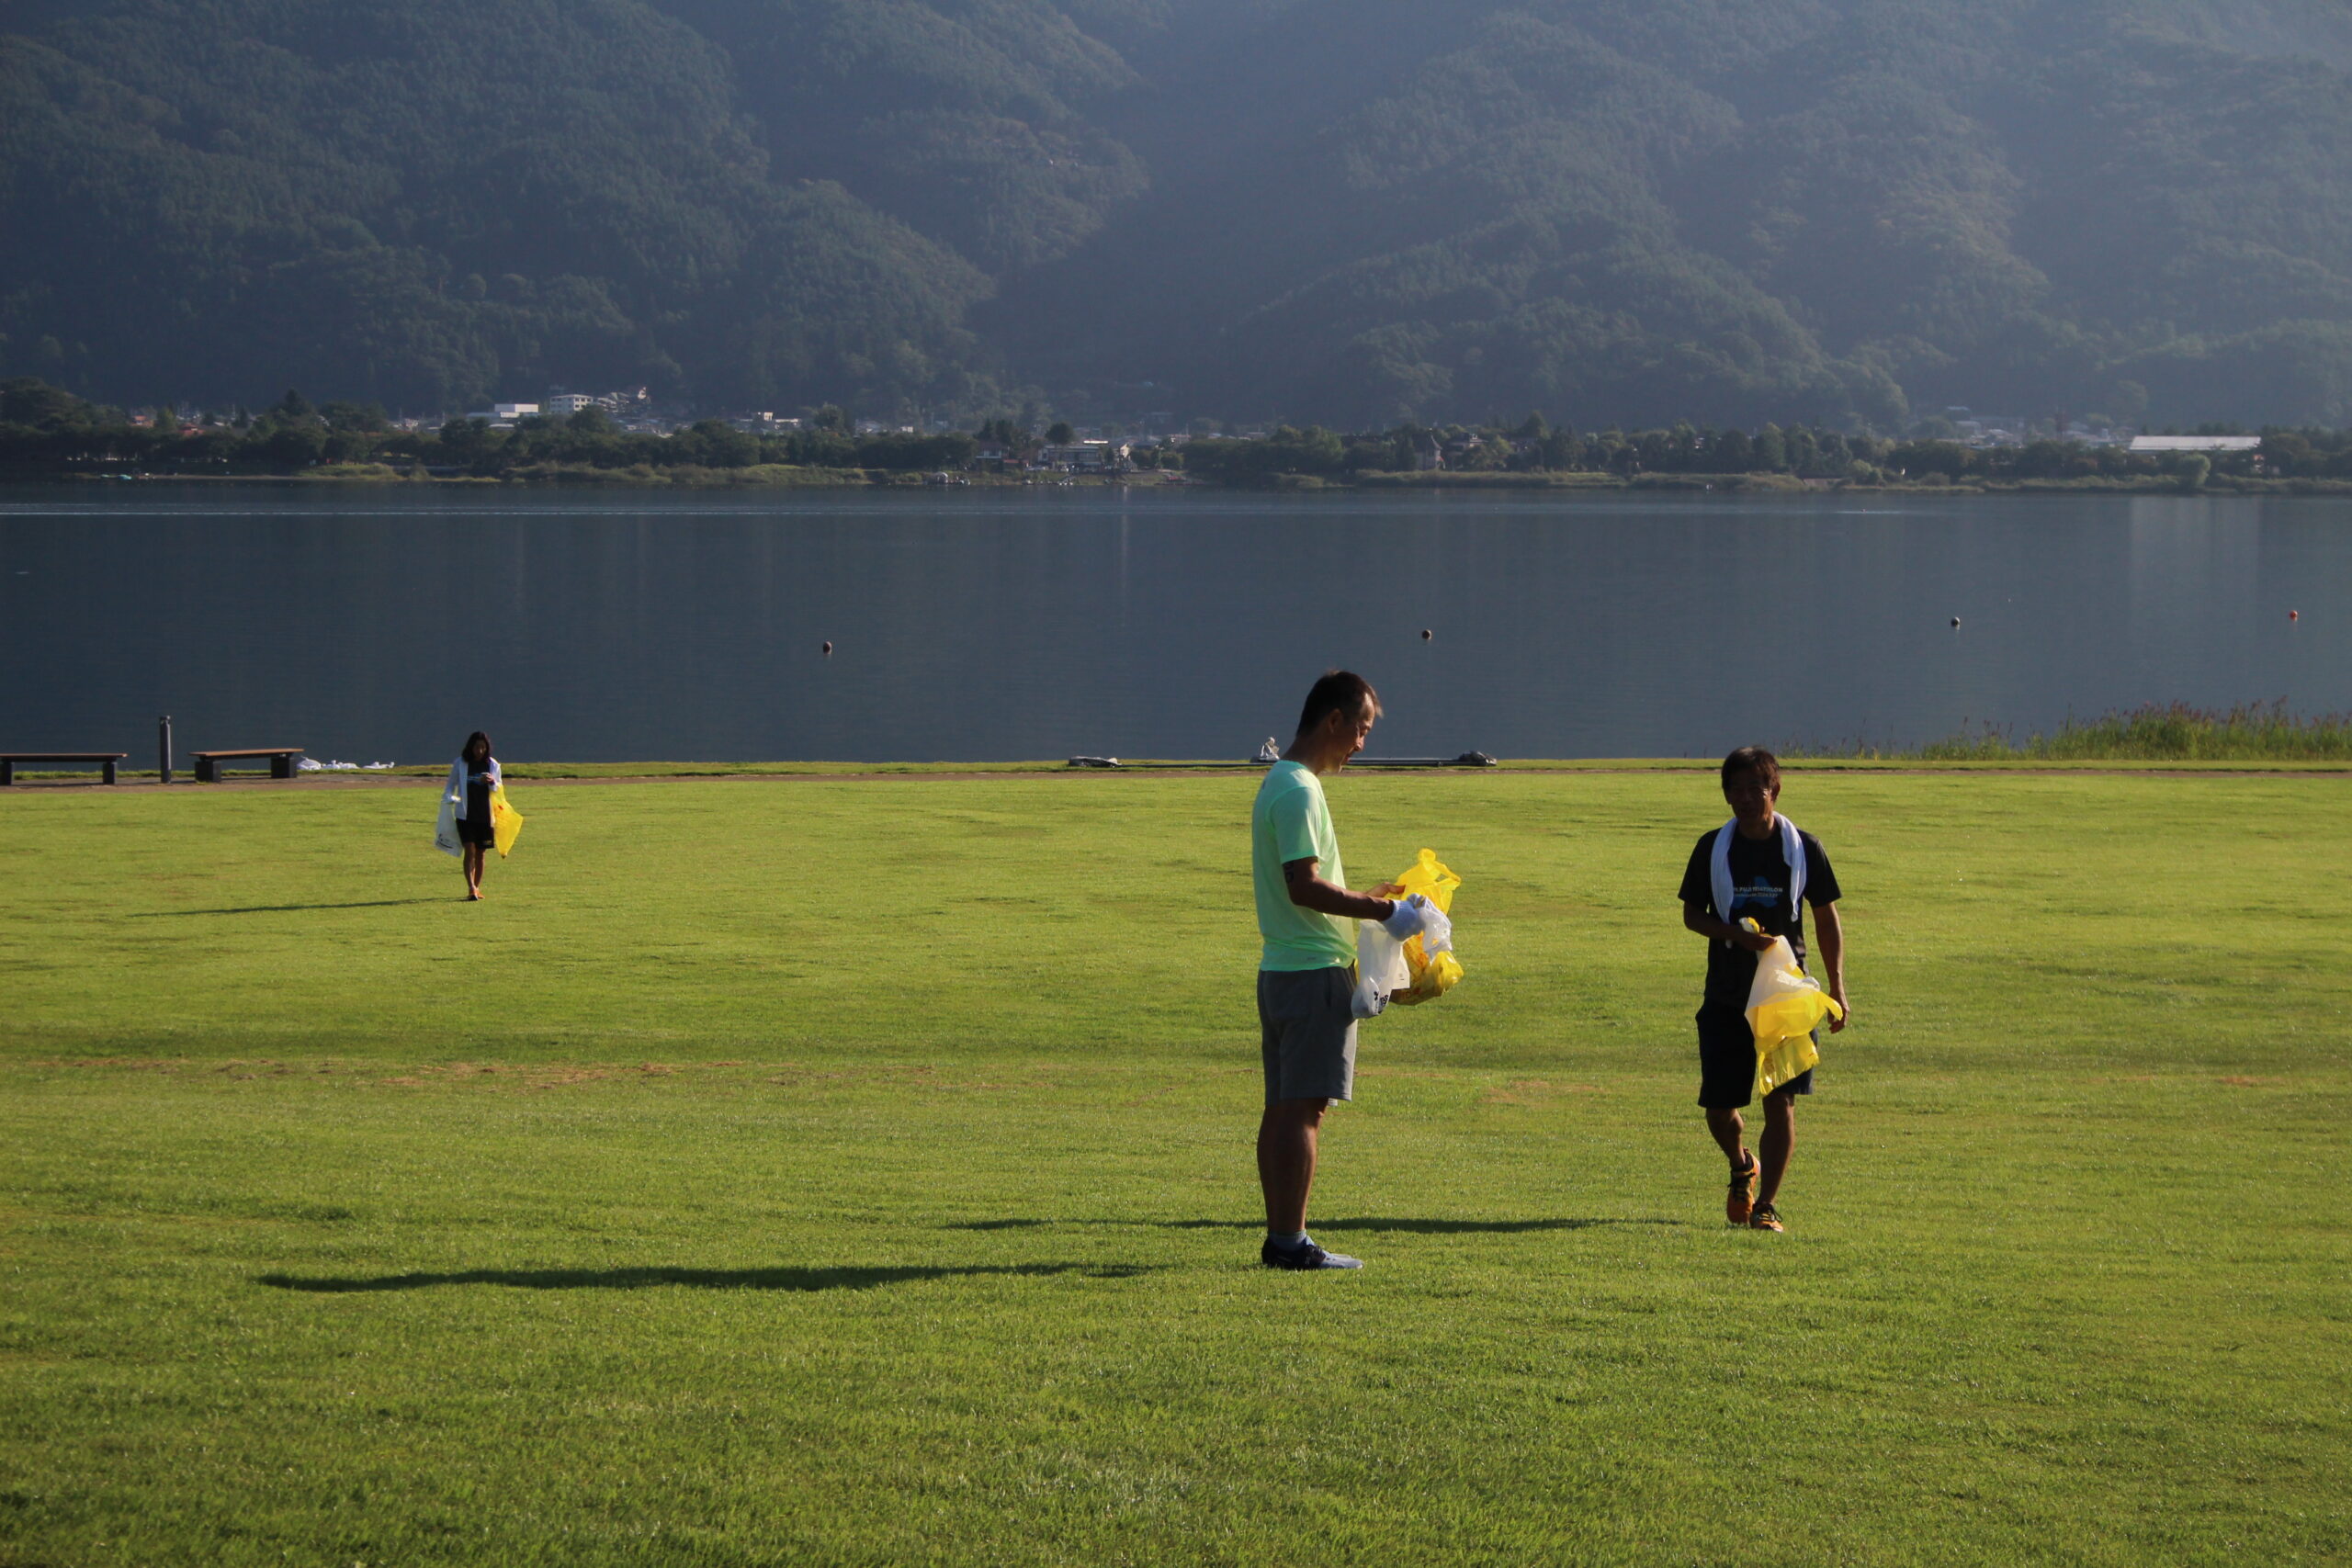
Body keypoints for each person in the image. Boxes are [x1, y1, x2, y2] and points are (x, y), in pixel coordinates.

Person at [1250, 670, 1428, 1270]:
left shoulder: (1279, 781)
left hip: (1281, 970)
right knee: (1305, 1109)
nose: (1361, 743)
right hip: (1312, 973)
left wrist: (1364, 896)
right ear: (1334, 720)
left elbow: (1308, 882)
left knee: (1283, 1107)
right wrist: (1383, 909)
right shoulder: (1300, 789)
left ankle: (1282, 1237)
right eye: (1361, 728)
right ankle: (1290, 1241)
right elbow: (1304, 885)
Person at [1678, 746, 1849, 1232]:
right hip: (1728, 992)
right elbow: (1692, 915)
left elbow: (1826, 919)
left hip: (1787, 995)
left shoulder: (1803, 848)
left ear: (1775, 789)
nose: (1748, 797)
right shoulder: (1713, 847)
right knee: (1718, 1107)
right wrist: (1735, 934)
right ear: (1727, 794)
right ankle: (1741, 1165)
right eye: (1737, 788)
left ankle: (1767, 1205)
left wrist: (1837, 987)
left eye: (1758, 786)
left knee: (1781, 1101)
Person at [444, 731, 501, 901]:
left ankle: (477, 887)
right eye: (477, 747)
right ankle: (471, 888)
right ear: (471, 747)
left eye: (483, 747)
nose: (480, 751)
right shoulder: (461, 763)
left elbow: (498, 788)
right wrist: (449, 798)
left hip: (485, 815)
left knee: (481, 853)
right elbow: (450, 785)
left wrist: (492, 782)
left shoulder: (493, 765)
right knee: (470, 850)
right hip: (465, 815)